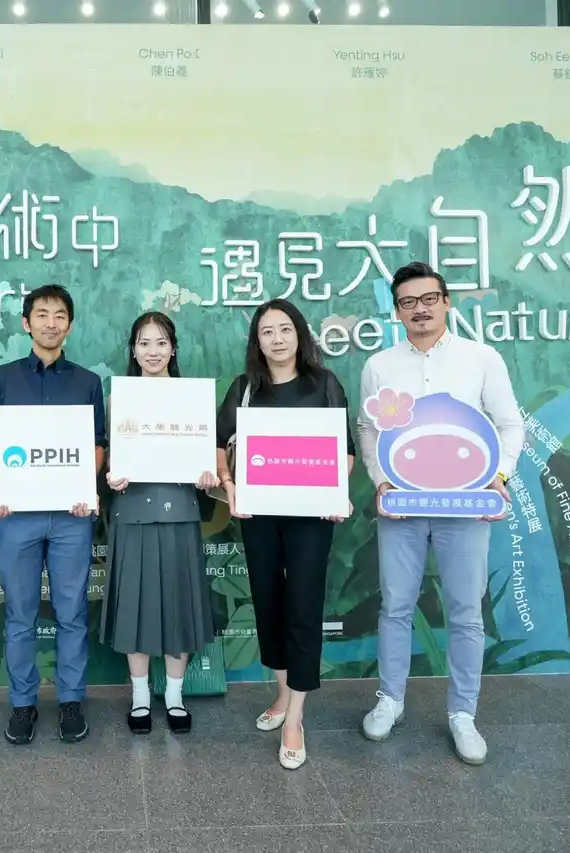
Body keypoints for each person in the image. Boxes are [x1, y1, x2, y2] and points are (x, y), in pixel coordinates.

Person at [356, 261, 523, 766]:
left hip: (465, 506)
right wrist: (381, 480)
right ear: (397, 311)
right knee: (396, 605)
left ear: (446, 302)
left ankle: (463, 713)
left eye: (429, 298)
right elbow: (368, 430)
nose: (420, 309)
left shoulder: (481, 358)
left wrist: (500, 475)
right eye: (408, 302)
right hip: (403, 508)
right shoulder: (380, 365)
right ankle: (390, 700)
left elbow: (510, 424)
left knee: (466, 610)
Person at [215, 298, 353, 770]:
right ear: (257, 341)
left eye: (285, 329)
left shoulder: (324, 383)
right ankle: (281, 693)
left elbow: (344, 451)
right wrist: (230, 486)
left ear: (300, 335)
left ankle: (295, 717)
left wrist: (336, 491)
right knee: (268, 602)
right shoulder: (244, 389)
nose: (277, 339)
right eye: (267, 331)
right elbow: (220, 446)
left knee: (304, 606)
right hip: (259, 515)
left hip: (311, 518)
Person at [0, 284, 106, 745]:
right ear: (26, 322)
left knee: (72, 613)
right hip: (18, 516)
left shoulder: (87, 382)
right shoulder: (3, 378)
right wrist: (2, 485)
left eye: (60, 315)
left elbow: (97, 444)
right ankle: (22, 703)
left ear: (69, 324)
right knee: (20, 615)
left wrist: (83, 485)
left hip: (71, 516)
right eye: (42, 314)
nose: (51, 323)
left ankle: (71, 699)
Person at [102, 311, 218, 735]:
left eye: (161, 342)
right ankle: (139, 698)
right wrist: (111, 475)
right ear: (133, 350)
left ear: (173, 349)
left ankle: (174, 696)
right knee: (134, 607)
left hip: (179, 512)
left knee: (178, 607)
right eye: (144, 343)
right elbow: (108, 457)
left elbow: (206, 459)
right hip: (131, 511)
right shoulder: (117, 401)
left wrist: (207, 476)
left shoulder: (193, 399)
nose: (153, 351)